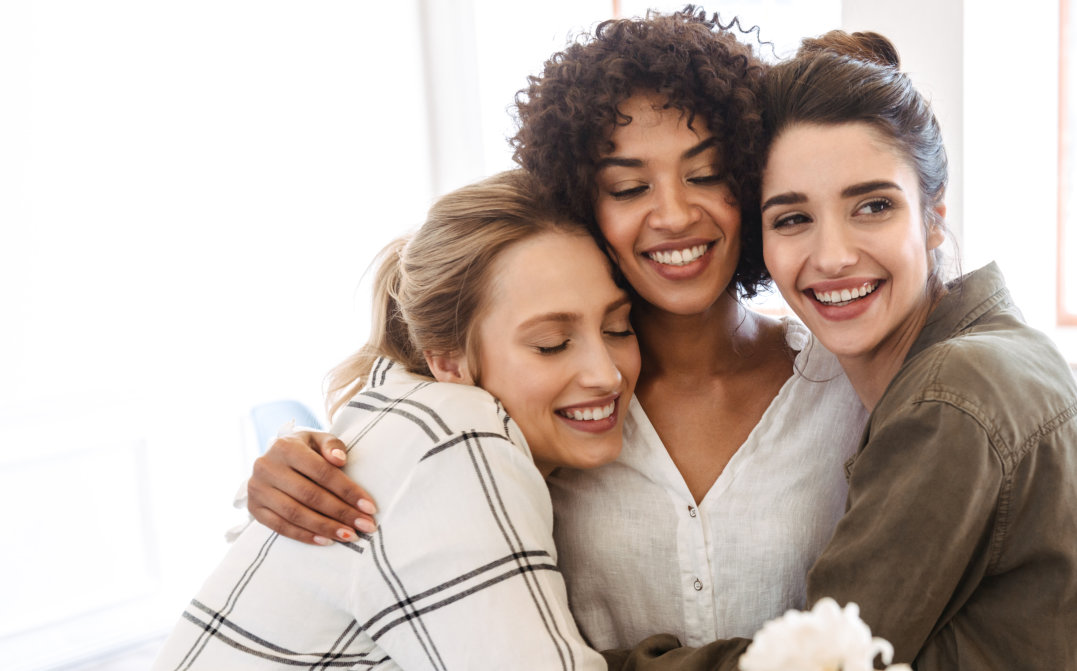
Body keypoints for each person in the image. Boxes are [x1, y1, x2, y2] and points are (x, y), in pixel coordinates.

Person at [240, 7, 869, 650]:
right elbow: (392, 469)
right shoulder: (528, 396)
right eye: (627, 187)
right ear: (581, 203)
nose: (676, 214)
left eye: (706, 175)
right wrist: (285, 470)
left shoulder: (843, 384)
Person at [601, 30, 1077, 670]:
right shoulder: (990, 358)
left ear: (934, 216)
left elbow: (822, 663)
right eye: (792, 218)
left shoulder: (952, 397)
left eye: (873, 206)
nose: (832, 257)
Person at [152, 169, 640, 670]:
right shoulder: (456, 431)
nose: (606, 375)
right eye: (551, 345)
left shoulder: (409, 412)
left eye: (619, 328)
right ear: (447, 361)